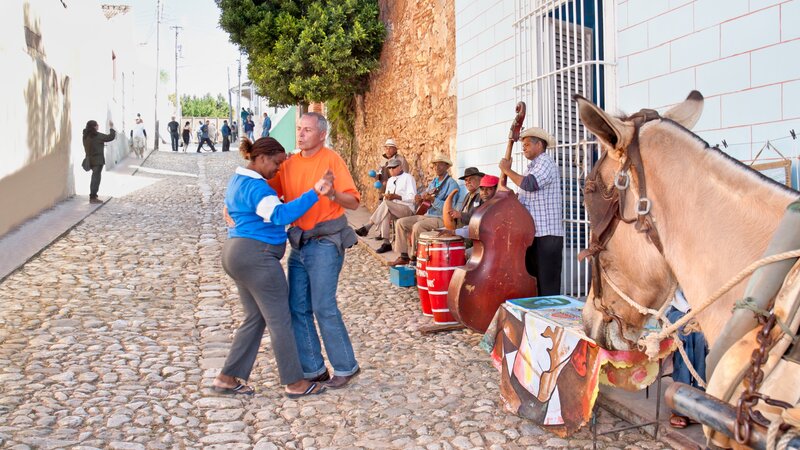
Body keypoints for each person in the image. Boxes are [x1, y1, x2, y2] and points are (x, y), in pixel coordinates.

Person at [214, 136, 332, 398]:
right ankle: (295, 382)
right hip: (257, 258)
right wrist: (315, 192)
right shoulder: (258, 188)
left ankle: (227, 378)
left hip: (236, 254)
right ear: (262, 158)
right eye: (276, 164)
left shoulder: (239, 180)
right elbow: (280, 215)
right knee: (281, 320)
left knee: (255, 318)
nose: (277, 170)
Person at [268, 112, 361, 389]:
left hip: (325, 242)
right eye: (299, 129)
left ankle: (346, 366)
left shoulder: (332, 160)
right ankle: (314, 368)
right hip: (299, 242)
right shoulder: (288, 164)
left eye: (307, 130)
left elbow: (354, 202)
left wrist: (333, 194)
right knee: (297, 307)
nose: (301, 134)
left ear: (321, 134)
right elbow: (265, 187)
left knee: (323, 305)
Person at [498, 127, 563, 296]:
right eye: (523, 145)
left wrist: (507, 170)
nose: (524, 148)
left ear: (539, 145)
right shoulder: (532, 167)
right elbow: (524, 192)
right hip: (534, 234)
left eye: (527, 144)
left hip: (547, 235)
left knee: (547, 286)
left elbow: (529, 184)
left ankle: (550, 319)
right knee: (535, 281)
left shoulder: (545, 162)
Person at [390, 153, 460, 266]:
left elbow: (448, 209)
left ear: (447, 167)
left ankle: (415, 258)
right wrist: (419, 198)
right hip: (428, 215)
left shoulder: (452, 185)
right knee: (400, 223)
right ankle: (403, 256)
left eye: (440, 165)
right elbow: (425, 195)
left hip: (441, 218)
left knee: (418, 227)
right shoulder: (434, 182)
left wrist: (433, 200)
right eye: (435, 165)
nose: (436, 168)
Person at [354, 158, 417, 253]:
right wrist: (388, 197)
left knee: (386, 205)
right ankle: (386, 243)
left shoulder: (408, 178)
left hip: (406, 209)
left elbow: (413, 198)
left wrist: (397, 197)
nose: (391, 170)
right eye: (389, 168)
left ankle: (368, 226)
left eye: (393, 168)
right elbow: (386, 199)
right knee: (385, 212)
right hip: (392, 208)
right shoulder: (391, 180)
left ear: (400, 167)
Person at [666, 289, 707, 429]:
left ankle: (698, 403)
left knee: (702, 338)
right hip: (679, 310)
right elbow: (673, 292)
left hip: (705, 310)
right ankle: (679, 406)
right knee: (686, 333)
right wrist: (689, 309)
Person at [82, 119, 116, 204]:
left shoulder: (85, 136)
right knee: (96, 178)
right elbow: (110, 137)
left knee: (94, 178)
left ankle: (93, 196)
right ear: (94, 126)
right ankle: (93, 196)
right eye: (97, 125)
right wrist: (111, 128)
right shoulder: (97, 135)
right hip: (97, 160)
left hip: (90, 159)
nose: (98, 126)